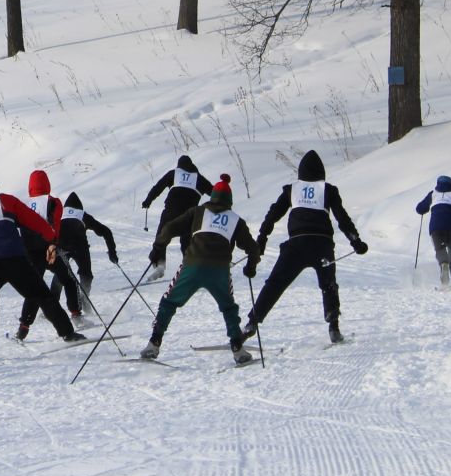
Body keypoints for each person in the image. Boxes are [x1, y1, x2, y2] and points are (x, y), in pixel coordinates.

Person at [0, 172, 84, 357]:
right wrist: (50, 237)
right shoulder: (6, 200)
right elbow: (34, 220)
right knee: (42, 295)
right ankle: (67, 333)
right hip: (14, 259)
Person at [243, 151, 367, 344]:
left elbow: (272, 215)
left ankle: (252, 323)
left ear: (300, 173)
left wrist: (261, 240)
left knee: (275, 284)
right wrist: (355, 240)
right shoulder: (328, 190)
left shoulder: (291, 190)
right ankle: (333, 325)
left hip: (296, 245)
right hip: (322, 244)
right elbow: (342, 218)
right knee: (329, 285)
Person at [140, 177, 259, 365]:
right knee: (228, 307)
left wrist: (157, 248)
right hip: (219, 269)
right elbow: (253, 249)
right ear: (229, 200)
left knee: (169, 302)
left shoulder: (198, 211)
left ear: (212, 196)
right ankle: (237, 348)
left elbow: (170, 227)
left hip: (193, 265)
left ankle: (154, 344)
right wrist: (250, 266)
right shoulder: (236, 220)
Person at [142, 156, 212, 279]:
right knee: (186, 242)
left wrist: (148, 200)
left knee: (162, 237)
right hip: (189, 215)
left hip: (171, 212)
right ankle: (190, 268)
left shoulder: (174, 174)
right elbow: (214, 192)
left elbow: (158, 187)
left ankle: (160, 266)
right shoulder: (199, 178)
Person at [24, 170, 80, 316]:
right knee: (68, 280)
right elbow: (55, 224)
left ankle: (24, 326)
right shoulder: (53, 202)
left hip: (31, 252)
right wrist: (54, 243)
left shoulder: (26, 204)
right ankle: (75, 313)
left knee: (35, 287)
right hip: (49, 249)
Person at [57, 191, 119, 300]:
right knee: (86, 273)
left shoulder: (59, 215)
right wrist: (112, 252)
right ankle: (84, 299)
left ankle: (52, 305)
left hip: (61, 245)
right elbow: (106, 232)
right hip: (79, 245)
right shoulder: (82, 215)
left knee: (60, 274)